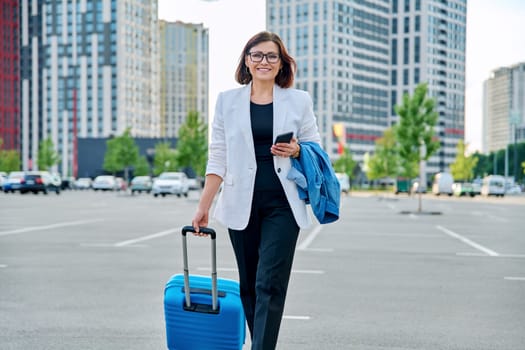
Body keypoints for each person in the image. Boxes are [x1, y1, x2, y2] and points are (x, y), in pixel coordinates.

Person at [191, 31, 323, 350]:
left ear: (281, 64)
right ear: (247, 61)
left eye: (271, 56)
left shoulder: (299, 100)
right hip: (241, 202)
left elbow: (315, 146)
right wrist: (203, 205)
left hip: (283, 203)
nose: (264, 61)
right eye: (257, 55)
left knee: (269, 284)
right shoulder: (227, 101)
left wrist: (297, 151)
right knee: (249, 286)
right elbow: (218, 155)